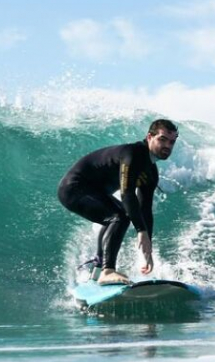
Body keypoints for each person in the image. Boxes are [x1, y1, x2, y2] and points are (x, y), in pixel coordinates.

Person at [57, 119, 178, 285]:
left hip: (94, 191)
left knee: (116, 216)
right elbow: (127, 193)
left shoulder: (151, 172)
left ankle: (98, 270)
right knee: (119, 216)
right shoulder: (133, 153)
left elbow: (145, 209)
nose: (168, 146)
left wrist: (147, 248)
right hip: (74, 188)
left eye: (172, 142)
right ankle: (108, 271)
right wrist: (140, 231)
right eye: (162, 139)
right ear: (149, 137)